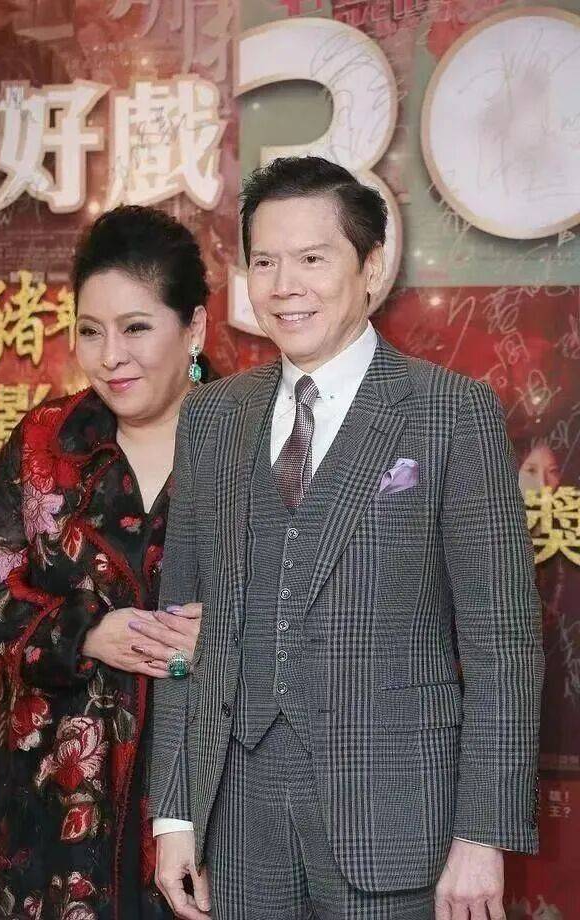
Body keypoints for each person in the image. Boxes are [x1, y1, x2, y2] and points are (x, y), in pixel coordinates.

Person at [148, 157, 544, 920]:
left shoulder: (450, 413)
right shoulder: (212, 416)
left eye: (311, 258)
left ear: (371, 267)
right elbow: (178, 631)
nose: (283, 285)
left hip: (397, 822)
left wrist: (482, 835)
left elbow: (504, 645)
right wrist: (174, 816)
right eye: (265, 262)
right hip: (239, 821)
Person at [0, 205, 208, 919]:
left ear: (194, 327)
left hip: (204, 802)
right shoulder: (46, 440)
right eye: (90, 331)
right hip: (56, 806)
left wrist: (222, 638)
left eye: (135, 328)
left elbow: (311, 604)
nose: (110, 357)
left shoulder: (251, 441)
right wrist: (83, 633)